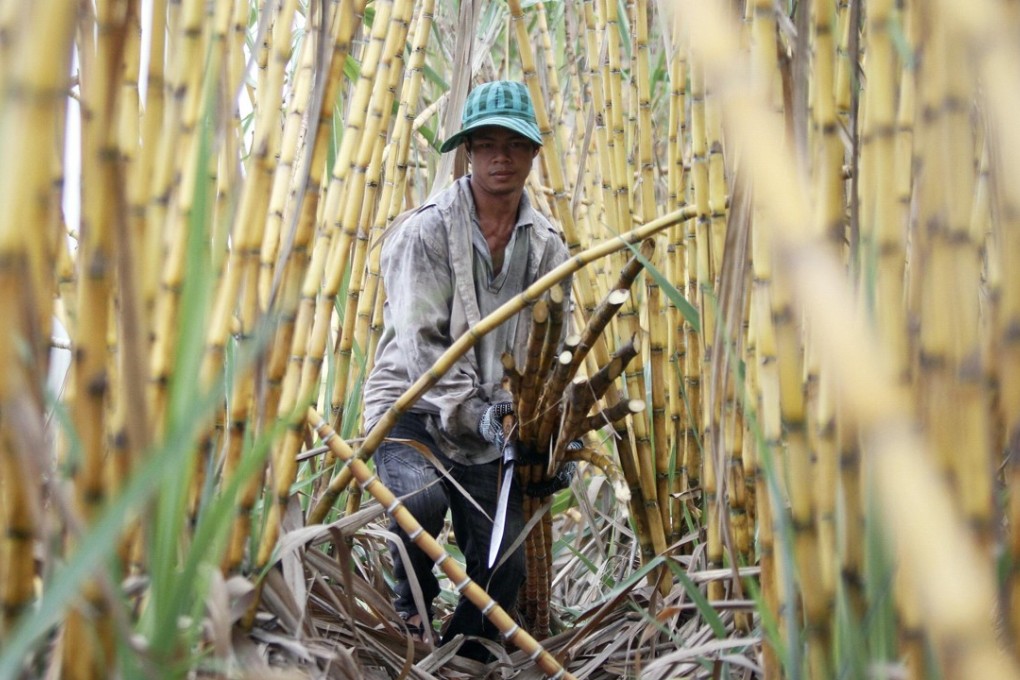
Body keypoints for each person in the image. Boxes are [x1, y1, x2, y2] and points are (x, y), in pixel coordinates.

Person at [361, 80, 570, 661]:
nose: (500, 156)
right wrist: (476, 413)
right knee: (418, 503)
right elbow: (422, 344)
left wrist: (545, 435)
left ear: (531, 154)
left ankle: (462, 650)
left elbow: (548, 348)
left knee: (503, 563)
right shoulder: (425, 231)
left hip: (491, 422)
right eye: (486, 144)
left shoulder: (548, 245)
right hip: (414, 408)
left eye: (514, 143)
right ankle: (411, 605)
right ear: (467, 153)